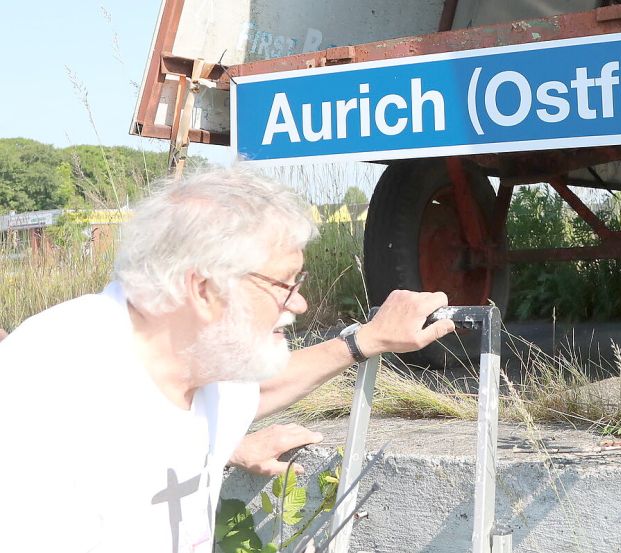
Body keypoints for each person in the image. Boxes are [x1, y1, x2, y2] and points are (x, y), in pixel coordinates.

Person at [0, 168, 455, 552]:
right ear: (203, 289)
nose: (299, 304)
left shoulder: (194, 360)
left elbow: (254, 392)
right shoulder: (47, 388)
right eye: (284, 283)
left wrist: (366, 340)